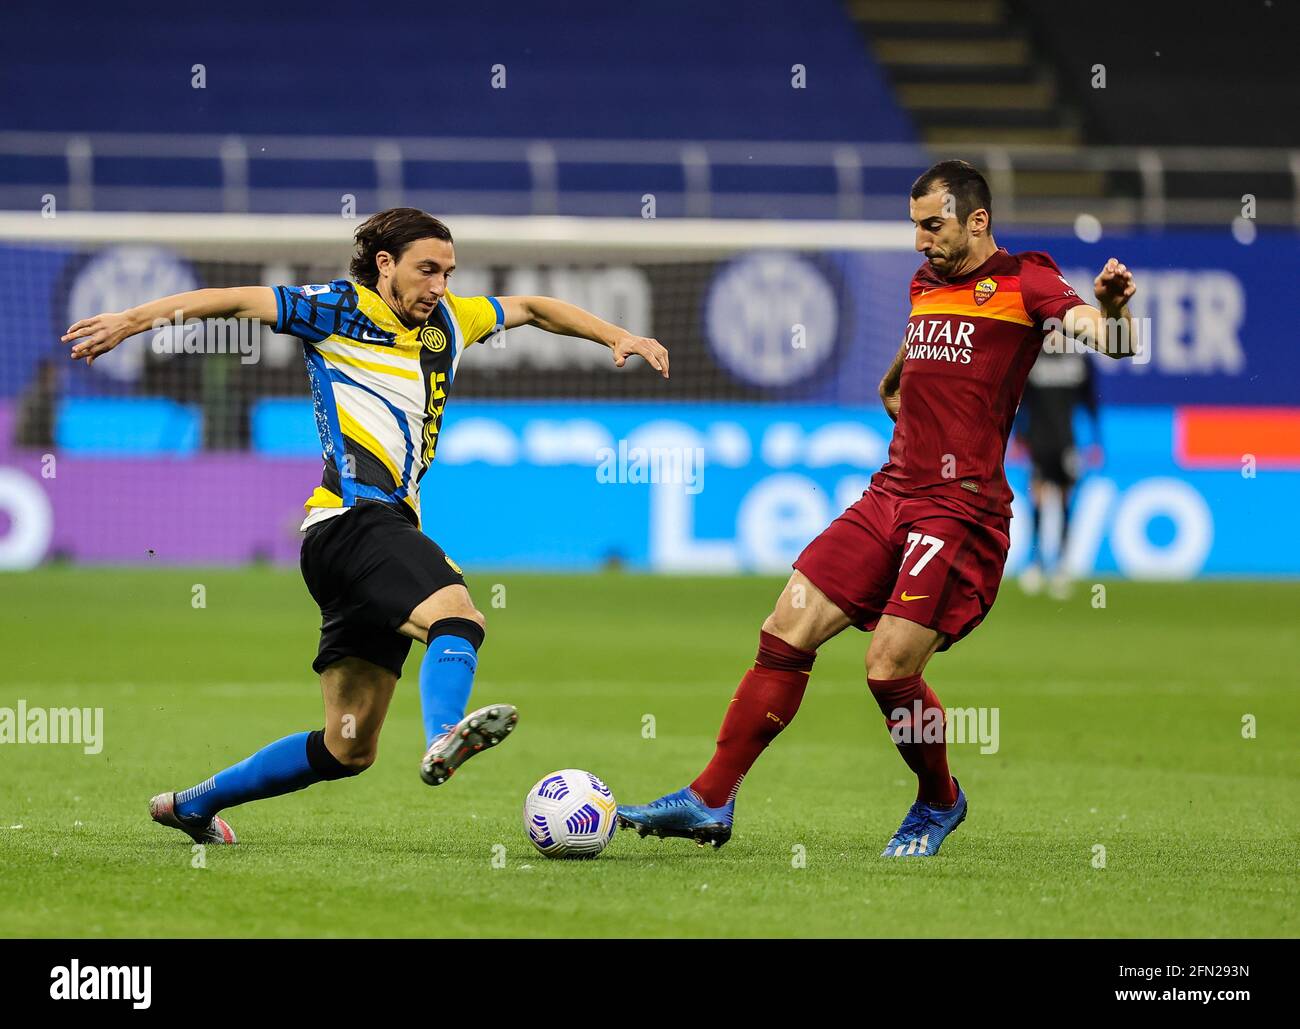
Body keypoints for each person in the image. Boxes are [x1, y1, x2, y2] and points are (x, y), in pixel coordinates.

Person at [63, 208, 670, 845]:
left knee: (346, 746)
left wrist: (614, 336)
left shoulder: (451, 321)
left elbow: (533, 309)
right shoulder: (335, 307)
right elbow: (233, 300)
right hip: (354, 520)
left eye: (448, 272)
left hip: (354, 544)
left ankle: (192, 804)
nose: (439, 285)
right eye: (426, 270)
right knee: (458, 617)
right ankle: (444, 735)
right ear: (385, 265)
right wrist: (131, 321)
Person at [617, 161, 1138, 857]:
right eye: (915, 226)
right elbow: (908, 359)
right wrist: (895, 383)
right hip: (889, 494)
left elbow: (1117, 343)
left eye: (933, 225)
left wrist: (1113, 310)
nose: (920, 240)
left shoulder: (1026, 281)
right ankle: (710, 798)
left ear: (976, 220)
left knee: (888, 668)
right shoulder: (926, 283)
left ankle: (938, 800)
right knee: (786, 625)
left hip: (960, 512)